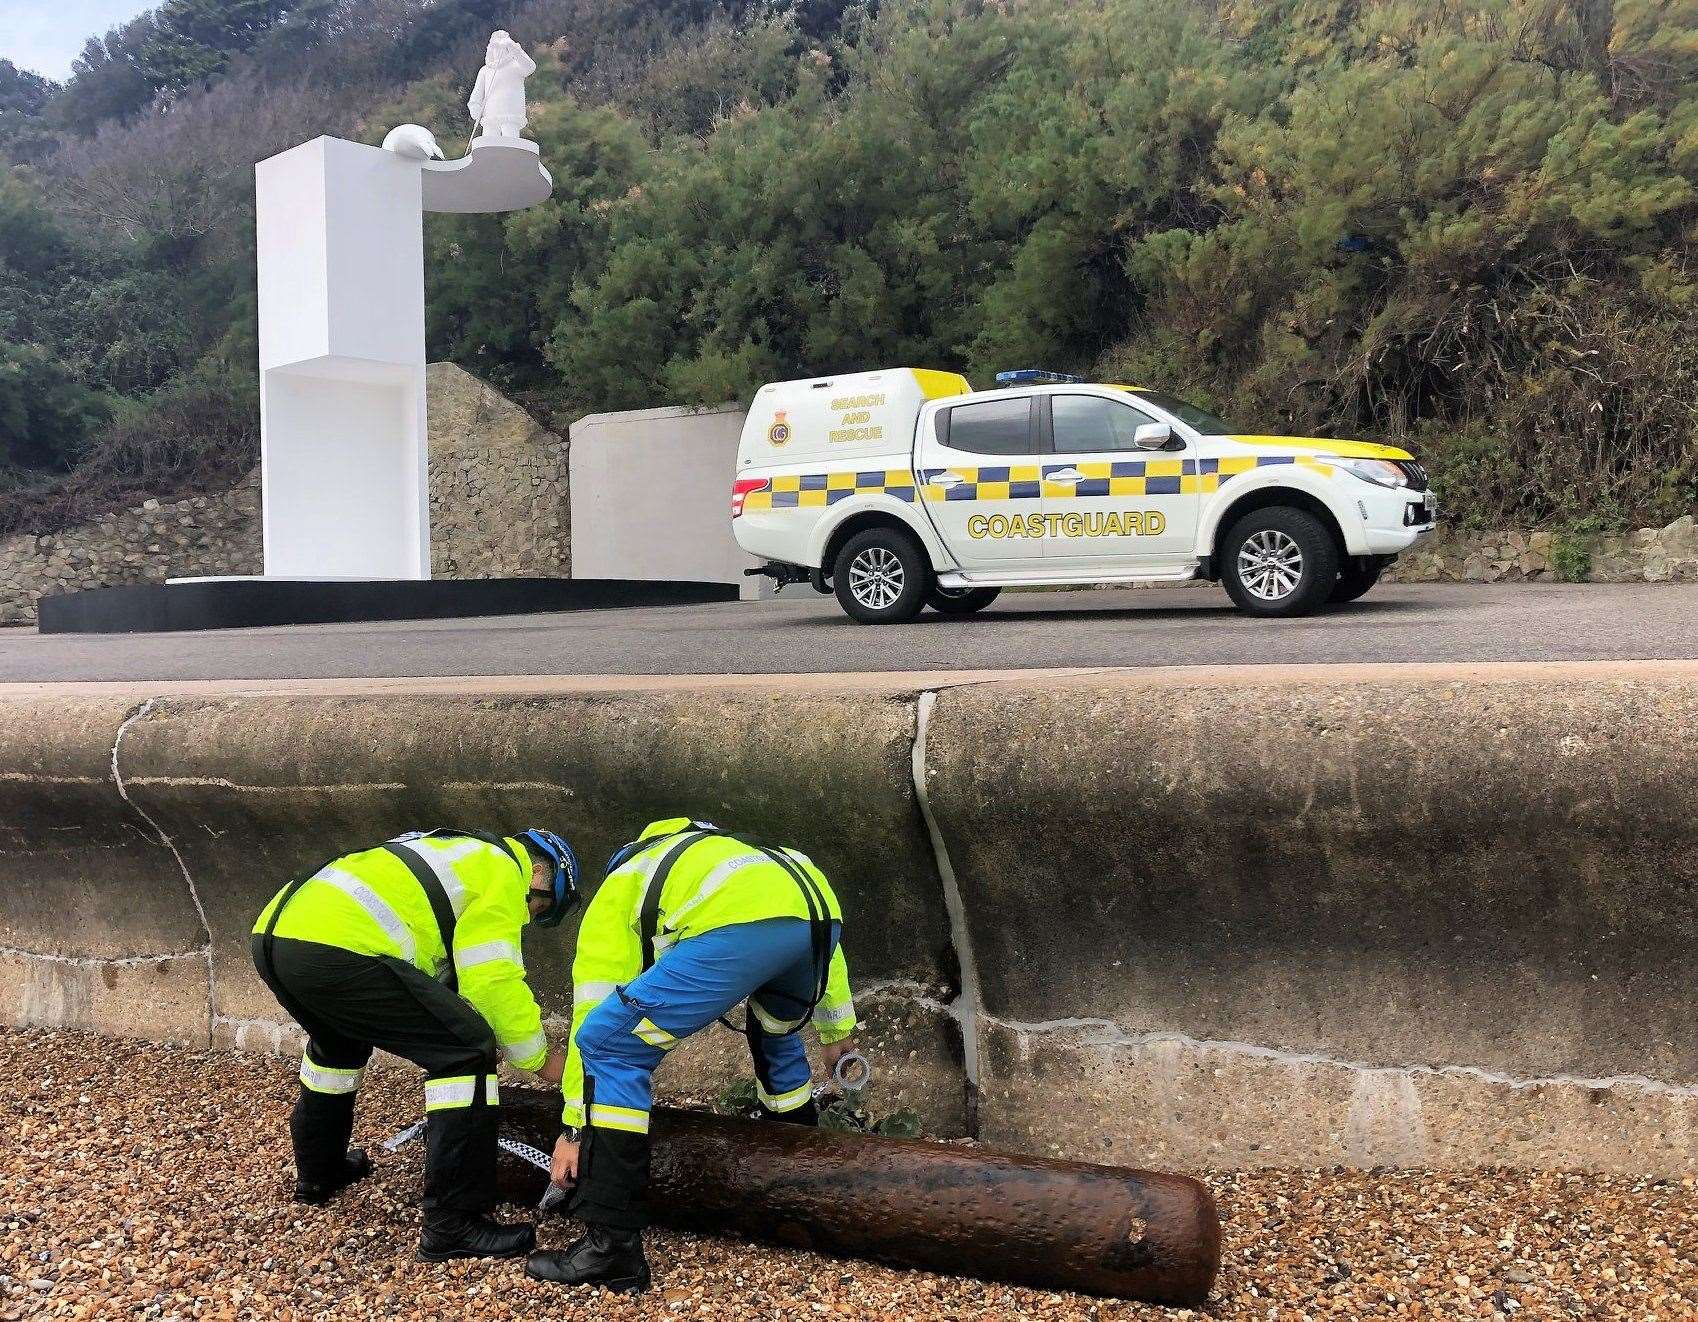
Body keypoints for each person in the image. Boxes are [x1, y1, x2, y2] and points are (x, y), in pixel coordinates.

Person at [525, 817, 859, 1293]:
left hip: (742, 925)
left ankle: (611, 1245)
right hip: (818, 915)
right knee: (775, 1031)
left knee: (608, 1044)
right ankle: (795, 1179)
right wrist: (836, 1030)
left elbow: (592, 1013)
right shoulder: (735, 852)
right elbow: (823, 939)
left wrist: (575, 1128)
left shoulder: (626, 881)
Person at [250, 827, 580, 1261]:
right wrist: (539, 1059)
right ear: (541, 870)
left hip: (278, 939)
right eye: (541, 906)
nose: (531, 916)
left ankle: (320, 1171)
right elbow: (493, 978)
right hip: (337, 945)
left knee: (338, 1047)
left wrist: (468, 1022)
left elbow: (443, 977)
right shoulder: (504, 871)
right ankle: (453, 1224)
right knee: (467, 1054)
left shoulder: (456, 851)